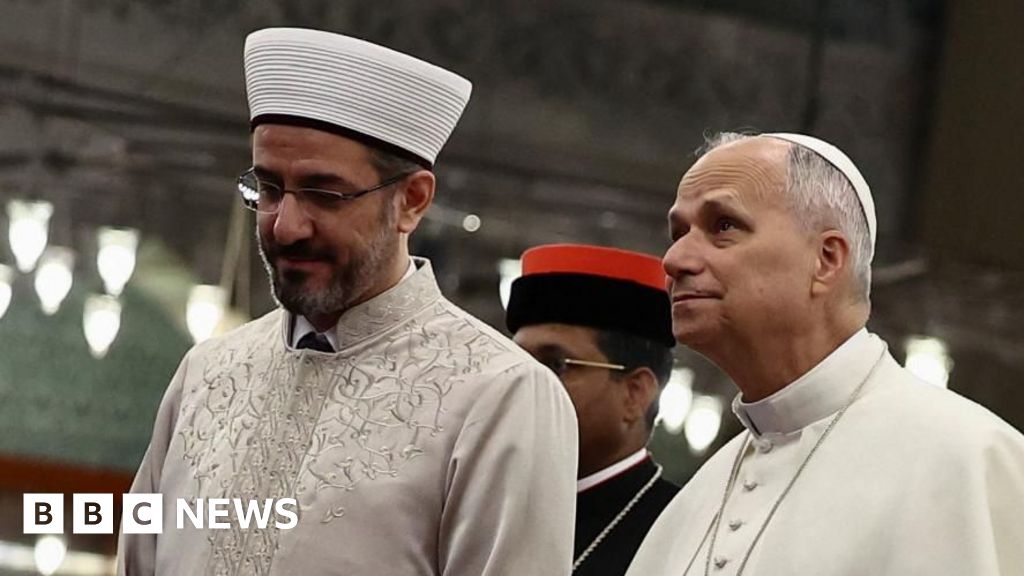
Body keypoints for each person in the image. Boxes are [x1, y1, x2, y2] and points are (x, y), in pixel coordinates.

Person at [117, 28, 579, 576]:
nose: (286, 226)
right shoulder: (208, 374)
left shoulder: (500, 395)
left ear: (411, 201)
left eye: (323, 193)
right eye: (268, 189)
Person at [626, 132, 1024, 575]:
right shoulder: (701, 494)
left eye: (723, 226)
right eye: (678, 232)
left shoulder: (965, 458)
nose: (674, 259)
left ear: (826, 259)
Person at [506, 243, 680, 576]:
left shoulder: (685, 527)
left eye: (554, 365)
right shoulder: (479, 503)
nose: (520, 384)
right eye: (516, 364)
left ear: (635, 393)